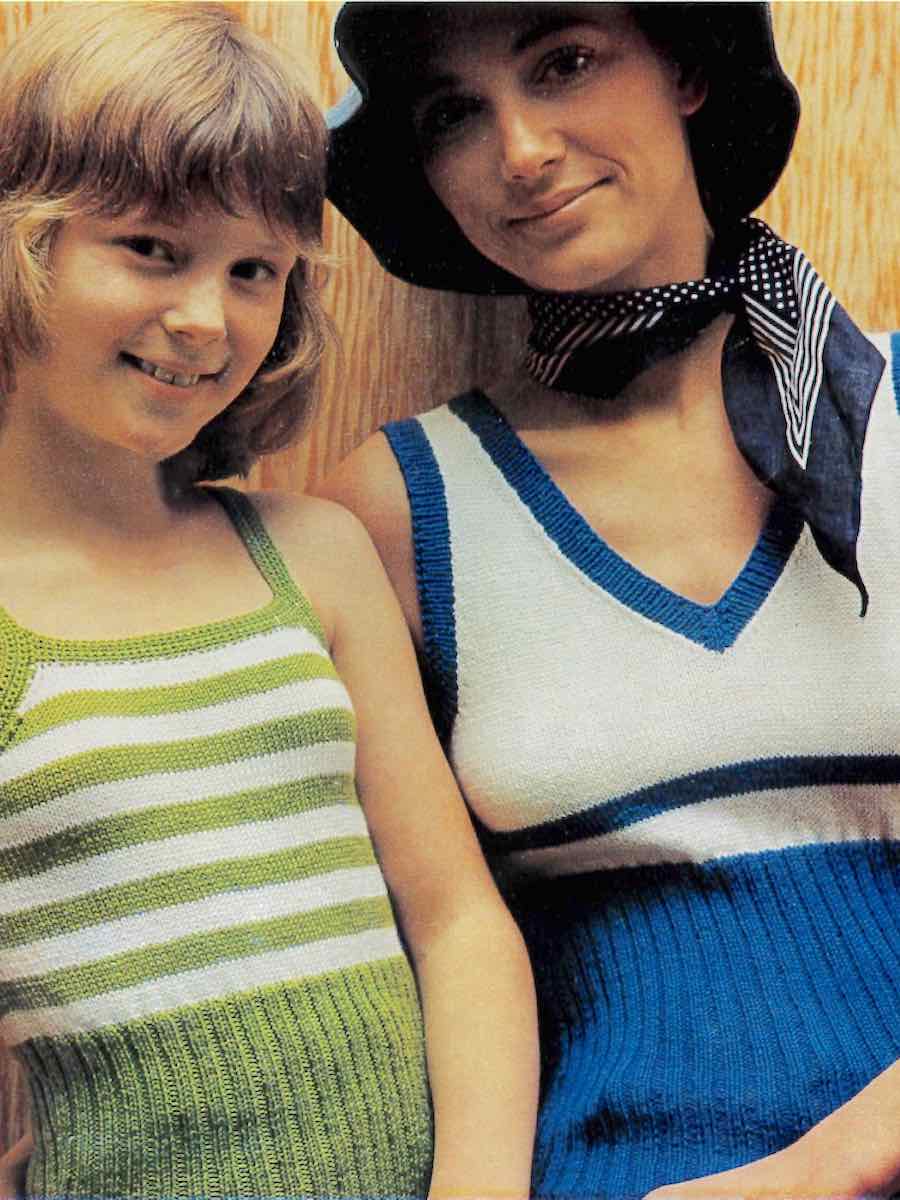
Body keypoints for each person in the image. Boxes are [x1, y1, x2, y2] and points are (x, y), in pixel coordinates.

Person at [322, 3, 900, 1197]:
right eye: (452, 114)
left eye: (566, 63)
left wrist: (833, 1166)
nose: (522, 150)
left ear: (686, 68)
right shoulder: (397, 508)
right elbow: (413, 943)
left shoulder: (888, 411)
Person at [0, 5, 539, 1198]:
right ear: (19, 244)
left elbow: (457, 923)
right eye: (152, 247)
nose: (207, 318)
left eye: (254, 270)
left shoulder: (312, 558)